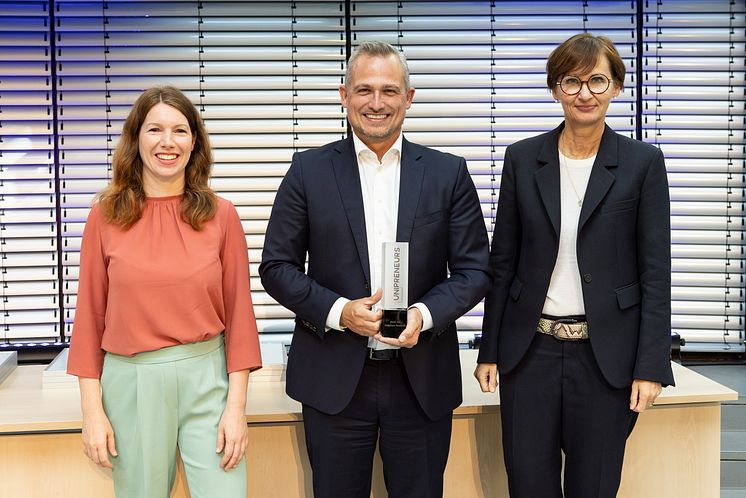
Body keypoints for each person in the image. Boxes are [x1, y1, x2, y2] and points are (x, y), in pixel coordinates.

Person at [259, 41, 490, 498]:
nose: (377, 103)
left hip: (420, 378)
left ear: (410, 97)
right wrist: (340, 310)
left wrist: (421, 317)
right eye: (364, 90)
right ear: (344, 96)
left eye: (390, 90)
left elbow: (474, 271)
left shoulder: (448, 173)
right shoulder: (308, 170)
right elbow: (277, 266)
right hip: (334, 380)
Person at [475, 33, 675, 498]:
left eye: (598, 81)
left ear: (617, 87)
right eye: (571, 81)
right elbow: (502, 261)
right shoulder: (522, 159)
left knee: (595, 486)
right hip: (530, 354)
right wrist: (490, 349)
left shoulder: (643, 163)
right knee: (527, 483)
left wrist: (650, 364)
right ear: (555, 89)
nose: (585, 93)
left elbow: (655, 271)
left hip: (607, 357)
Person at [67, 85, 262, 498]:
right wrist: (92, 413)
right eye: (155, 129)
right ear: (136, 139)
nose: (167, 142)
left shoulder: (222, 216)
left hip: (208, 380)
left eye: (180, 130)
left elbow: (241, 319)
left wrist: (237, 409)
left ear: (195, 142)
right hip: (131, 384)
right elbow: (89, 320)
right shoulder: (104, 218)